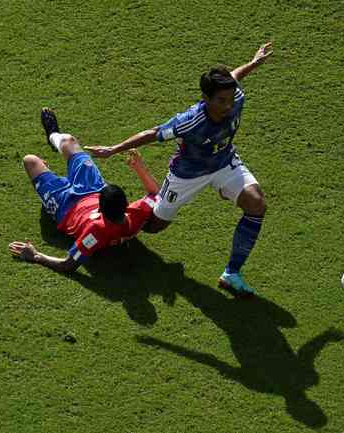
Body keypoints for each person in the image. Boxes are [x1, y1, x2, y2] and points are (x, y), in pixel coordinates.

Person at [84, 43, 273, 295]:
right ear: (205, 99)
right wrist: (114, 148)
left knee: (256, 203)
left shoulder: (234, 96)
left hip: (224, 162)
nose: (229, 105)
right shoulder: (191, 120)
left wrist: (253, 62)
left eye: (230, 98)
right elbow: (153, 133)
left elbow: (235, 77)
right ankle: (119, 224)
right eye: (221, 100)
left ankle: (231, 273)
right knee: (154, 226)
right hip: (187, 175)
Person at [9, 109, 161, 272]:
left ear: (100, 209)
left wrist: (35, 256)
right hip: (93, 188)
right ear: (126, 205)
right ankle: (52, 135)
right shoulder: (135, 214)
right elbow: (155, 193)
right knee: (68, 141)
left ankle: (50, 171)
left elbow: (67, 265)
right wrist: (139, 168)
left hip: (65, 207)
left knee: (30, 161)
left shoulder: (95, 231)